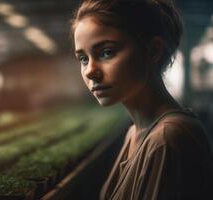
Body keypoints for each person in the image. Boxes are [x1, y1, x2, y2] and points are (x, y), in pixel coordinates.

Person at [70, 0, 213, 199]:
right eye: (83, 59)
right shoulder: (134, 133)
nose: (90, 71)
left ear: (153, 51)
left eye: (106, 52)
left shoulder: (167, 139)